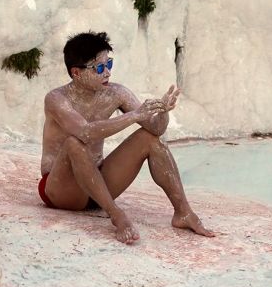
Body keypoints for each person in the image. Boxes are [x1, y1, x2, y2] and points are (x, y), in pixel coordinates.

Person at [38, 31, 214, 244]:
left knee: (149, 139)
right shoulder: (56, 99)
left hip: (98, 185)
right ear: (76, 72)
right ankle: (117, 215)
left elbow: (155, 129)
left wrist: (163, 112)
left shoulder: (116, 93)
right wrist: (133, 116)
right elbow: (86, 132)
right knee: (74, 143)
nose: (107, 73)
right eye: (99, 68)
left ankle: (183, 213)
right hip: (63, 190)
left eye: (109, 64)